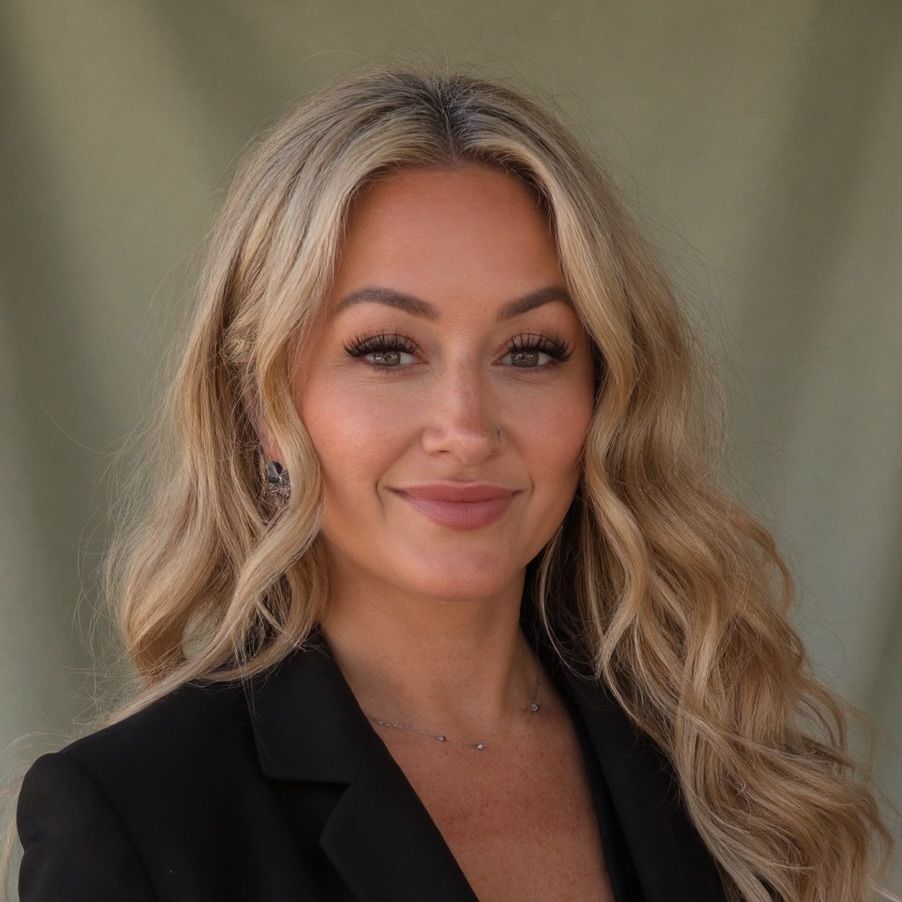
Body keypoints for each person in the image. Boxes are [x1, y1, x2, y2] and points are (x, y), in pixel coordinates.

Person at [3, 64, 896, 902]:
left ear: (605, 392)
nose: (466, 430)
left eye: (532, 351)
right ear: (261, 412)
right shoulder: (129, 819)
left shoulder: (717, 759)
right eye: (388, 351)